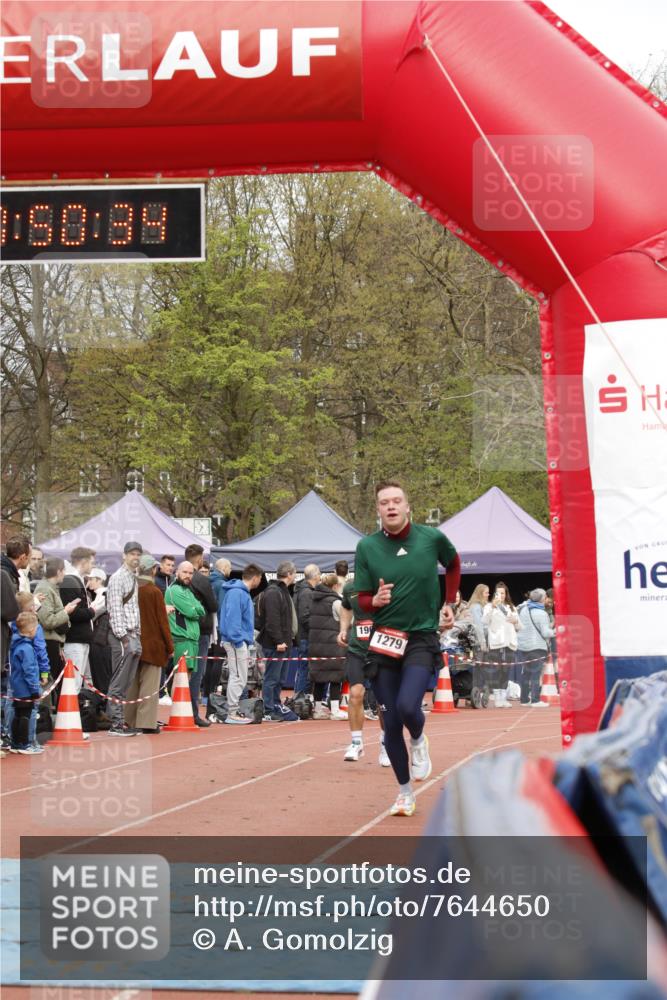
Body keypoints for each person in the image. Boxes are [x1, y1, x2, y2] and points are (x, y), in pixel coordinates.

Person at [353, 480, 460, 817]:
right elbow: (361, 599)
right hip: (384, 639)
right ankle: (404, 792)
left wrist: (449, 601)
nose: (391, 507)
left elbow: (454, 564)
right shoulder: (367, 547)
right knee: (389, 721)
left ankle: (419, 738)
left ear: (408, 506)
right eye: (384, 502)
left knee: (408, 707)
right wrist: (376, 599)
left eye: (397, 500)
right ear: (378, 510)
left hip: (420, 637)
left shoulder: (431, 538)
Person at [338, 576, 390, 766]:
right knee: (355, 693)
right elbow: (345, 606)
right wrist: (343, 628)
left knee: (383, 700)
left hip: (381, 649)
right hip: (357, 649)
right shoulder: (350, 587)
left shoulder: (385, 585)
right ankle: (356, 742)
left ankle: (386, 744)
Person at [125, 554, 174, 734]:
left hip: (131, 642)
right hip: (152, 645)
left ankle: (129, 720)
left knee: (132, 684)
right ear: (153, 569)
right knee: (149, 685)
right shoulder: (154, 592)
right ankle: (146, 722)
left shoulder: (130, 589)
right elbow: (162, 622)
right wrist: (170, 646)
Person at [218, 563, 263, 725]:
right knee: (238, 676)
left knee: (238, 676)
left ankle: (233, 710)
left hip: (237, 640)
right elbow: (233, 619)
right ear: (256, 578)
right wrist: (238, 641)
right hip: (236, 641)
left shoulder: (238, 592)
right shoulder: (238, 593)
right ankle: (232, 712)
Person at [106, 541, 143, 737]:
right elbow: (115, 608)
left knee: (126, 680)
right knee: (119, 680)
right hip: (124, 635)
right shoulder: (118, 578)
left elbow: (133, 608)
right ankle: (116, 723)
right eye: (132, 554)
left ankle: (120, 721)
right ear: (124, 555)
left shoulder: (133, 578)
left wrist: (137, 634)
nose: (135, 557)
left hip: (133, 633)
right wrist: (123, 636)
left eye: (138, 554)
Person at [164, 562, 207, 725]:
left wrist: (194, 609)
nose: (188, 576)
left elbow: (201, 610)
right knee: (181, 677)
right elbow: (192, 611)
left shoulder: (187, 590)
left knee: (187, 677)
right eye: (185, 572)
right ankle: (177, 713)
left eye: (191, 573)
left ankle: (182, 712)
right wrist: (194, 609)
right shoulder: (174, 590)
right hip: (182, 640)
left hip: (191, 640)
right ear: (177, 572)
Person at [257, 561, 299, 722]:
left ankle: (275, 705)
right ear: (289, 574)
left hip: (285, 642)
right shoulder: (274, 592)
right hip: (276, 643)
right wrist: (279, 641)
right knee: (272, 677)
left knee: (279, 678)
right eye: (294, 573)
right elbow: (272, 620)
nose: (295, 576)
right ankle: (269, 709)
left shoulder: (282, 591)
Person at [184, 543, 218, 728]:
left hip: (183, 630)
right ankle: (193, 713)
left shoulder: (179, 579)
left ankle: (185, 709)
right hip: (201, 630)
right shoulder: (201, 580)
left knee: (185, 672)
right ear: (199, 558)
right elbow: (213, 605)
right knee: (197, 673)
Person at [308, 573, 346, 719]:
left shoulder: (313, 599)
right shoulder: (335, 602)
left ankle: (318, 710)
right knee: (336, 676)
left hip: (316, 642)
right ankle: (335, 710)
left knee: (319, 677)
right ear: (335, 586)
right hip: (332, 643)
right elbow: (346, 620)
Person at [34, 557, 78, 683]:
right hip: (49, 644)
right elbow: (47, 620)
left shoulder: (51, 587)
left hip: (54, 642)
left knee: (56, 682)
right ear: (58, 572)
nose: (65, 574)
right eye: (64, 570)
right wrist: (65, 612)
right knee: (50, 683)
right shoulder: (45, 589)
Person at [60, 547, 96, 694]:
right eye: (91, 562)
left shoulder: (78, 580)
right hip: (73, 640)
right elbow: (72, 613)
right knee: (72, 684)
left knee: (78, 683)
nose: (93, 565)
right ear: (83, 561)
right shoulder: (69, 580)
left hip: (81, 639)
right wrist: (93, 610)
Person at [7, 612, 41, 754]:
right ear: (31, 630)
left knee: (18, 714)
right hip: (26, 688)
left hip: (16, 686)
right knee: (26, 714)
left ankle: (15, 742)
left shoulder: (15, 645)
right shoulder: (26, 648)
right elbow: (30, 670)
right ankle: (24, 744)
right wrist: (34, 688)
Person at [483, 581, 520, 708]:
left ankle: (503, 698)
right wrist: (493, 607)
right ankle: (497, 697)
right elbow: (484, 621)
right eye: (498, 593)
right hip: (496, 643)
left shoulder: (512, 607)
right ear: (495, 594)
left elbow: (520, 626)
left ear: (506, 594)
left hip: (510, 643)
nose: (501, 595)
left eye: (503, 593)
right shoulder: (489, 606)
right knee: (497, 670)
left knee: (506, 670)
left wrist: (515, 621)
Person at [516, 588, 555, 707]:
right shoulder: (542, 613)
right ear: (542, 599)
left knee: (526, 672)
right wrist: (556, 631)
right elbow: (545, 632)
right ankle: (535, 700)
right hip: (537, 646)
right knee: (535, 673)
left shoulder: (523, 610)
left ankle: (524, 699)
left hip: (523, 646)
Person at [293, 563, 321, 697]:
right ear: (315, 576)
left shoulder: (303, 590)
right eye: (320, 574)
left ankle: (301, 699)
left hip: (304, 637)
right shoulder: (306, 592)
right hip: (306, 637)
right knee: (305, 670)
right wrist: (316, 629)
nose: (320, 577)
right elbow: (305, 617)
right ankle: (300, 700)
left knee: (304, 669)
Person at [86, 567, 112, 694]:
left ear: (99, 580)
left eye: (91, 579)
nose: (89, 582)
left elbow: (93, 613)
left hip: (102, 640)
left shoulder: (104, 594)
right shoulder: (98, 594)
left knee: (101, 676)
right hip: (101, 639)